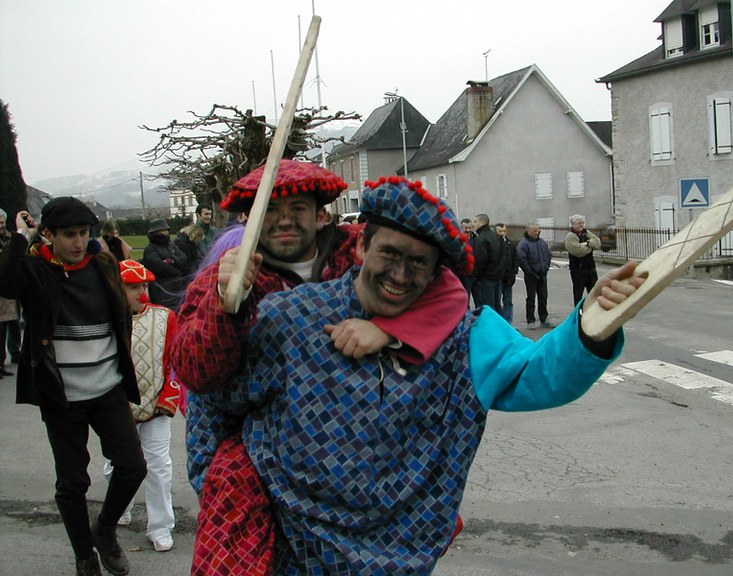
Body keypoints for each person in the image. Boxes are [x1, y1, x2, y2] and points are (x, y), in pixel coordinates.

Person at [186, 176, 643, 575]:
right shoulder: (291, 317)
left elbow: (540, 374)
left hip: (399, 554)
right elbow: (212, 401)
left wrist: (591, 324)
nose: (400, 274)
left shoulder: (466, 337)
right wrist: (210, 480)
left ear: (435, 271)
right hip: (290, 554)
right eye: (388, 253)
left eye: (418, 262)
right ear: (361, 247)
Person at [171, 159, 468, 395]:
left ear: (321, 216)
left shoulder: (359, 250)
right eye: (270, 210)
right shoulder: (222, 276)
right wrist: (223, 301)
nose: (284, 220)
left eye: (298, 208)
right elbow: (196, 373)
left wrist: (389, 331)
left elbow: (450, 291)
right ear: (249, 219)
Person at [0, 199, 147, 576]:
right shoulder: (37, 269)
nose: (79, 242)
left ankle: (105, 530)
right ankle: (85, 556)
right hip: (61, 395)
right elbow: (6, 284)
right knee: (72, 482)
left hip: (108, 389)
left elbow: (122, 315)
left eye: (84, 233)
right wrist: (22, 237)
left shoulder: (103, 264)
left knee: (132, 466)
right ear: (50, 234)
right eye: (69, 235)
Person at [104, 260, 180, 553]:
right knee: (117, 464)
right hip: (116, 408)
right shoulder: (107, 318)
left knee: (159, 466)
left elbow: (173, 361)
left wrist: (168, 398)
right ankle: (120, 506)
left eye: (144, 285)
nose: (142, 292)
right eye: (133, 287)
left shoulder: (165, 317)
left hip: (155, 406)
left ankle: (160, 526)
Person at [141, 219, 190, 310]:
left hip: (178, 287)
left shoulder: (171, 245)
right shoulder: (150, 249)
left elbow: (183, 258)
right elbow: (158, 266)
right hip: (161, 290)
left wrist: (172, 260)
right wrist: (176, 270)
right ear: (156, 232)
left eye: (167, 230)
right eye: (164, 230)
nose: (167, 232)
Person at [517, 223, 553, 330]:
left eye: (538, 231)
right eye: (535, 231)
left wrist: (546, 267)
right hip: (531, 276)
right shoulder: (523, 244)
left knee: (543, 297)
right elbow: (522, 260)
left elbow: (548, 255)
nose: (537, 233)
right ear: (528, 231)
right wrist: (530, 272)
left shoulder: (542, 242)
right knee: (531, 298)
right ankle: (531, 320)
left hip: (542, 274)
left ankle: (544, 318)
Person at [0, 208, 21, 375]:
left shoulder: (11, 238)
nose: (1, 225)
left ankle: (15, 351)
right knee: (1, 328)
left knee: (14, 322)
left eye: (2, 222)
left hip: (13, 286)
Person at [565, 214, 602, 306]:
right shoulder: (570, 236)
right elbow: (578, 251)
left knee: (594, 293)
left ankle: (593, 311)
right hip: (578, 271)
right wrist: (591, 247)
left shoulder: (586, 233)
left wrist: (587, 243)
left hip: (591, 269)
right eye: (579, 223)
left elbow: (597, 243)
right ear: (573, 224)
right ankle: (578, 312)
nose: (581, 225)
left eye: (582, 223)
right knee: (578, 295)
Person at [471, 213, 504, 313]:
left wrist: (475, 275)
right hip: (497, 276)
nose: (473, 224)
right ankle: (500, 322)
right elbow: (504, 256)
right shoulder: (497, 237)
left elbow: (480, 260)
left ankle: (491, 323)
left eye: (475, 222)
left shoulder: (480, 239)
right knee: (497, 303)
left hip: (486, 277)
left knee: (488, 306)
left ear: (482, 223)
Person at [495, 222, 518, 323]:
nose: (502, 233)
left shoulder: (510, 244)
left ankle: (508, 322)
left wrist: (514, 271)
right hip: (498, 278)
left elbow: (515, 258)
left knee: (508, 301)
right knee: (497, 301)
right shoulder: (494, 244)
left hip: (508, 278)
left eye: (504, 231)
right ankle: (500, 322)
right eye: (500, 231)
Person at [457, 218, 476, 298]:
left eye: (469, 228)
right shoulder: (457, 240)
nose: (468, 230)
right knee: (464, 298)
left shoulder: (476, 239)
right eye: (466, 228)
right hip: (463, 274)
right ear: (461, 228)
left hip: (475, 274)